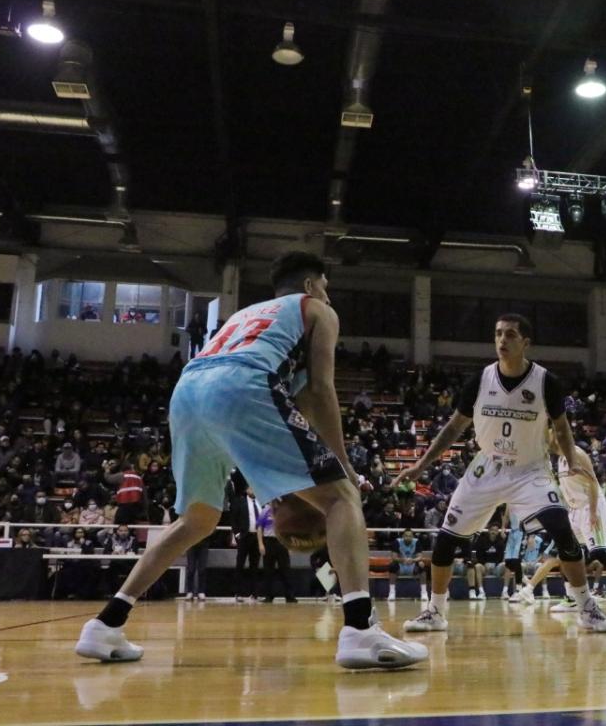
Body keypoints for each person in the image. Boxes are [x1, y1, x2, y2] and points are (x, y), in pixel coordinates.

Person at [74, 250, 426, 669]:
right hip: (242, 385)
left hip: (189, 390)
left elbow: (286, 409)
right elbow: (319, 390)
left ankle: (106, 624)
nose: (328, 297)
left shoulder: (246, 314)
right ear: (314, 285)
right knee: (342, 497)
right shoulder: (317, 310)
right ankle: (360, 630)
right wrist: (341, 462)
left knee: (196, 520)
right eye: (327, 288)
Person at [394, 313, 606, 633]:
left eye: (510, 334)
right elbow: (453, 428)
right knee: (445, 540)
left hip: (530, 470)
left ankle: (587, 608)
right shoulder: (480, 381)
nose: (502, 340)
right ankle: (435, 611)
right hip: (487, 467)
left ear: (525, 342)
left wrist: (570, 459)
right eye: (498, 333)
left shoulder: (546, 382)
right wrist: (421, 465)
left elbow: (562, 428)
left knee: (562, 530)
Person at [514, 443, 606, 613]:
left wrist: (594, 511)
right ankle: (571, 599)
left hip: (590, 506)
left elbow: (593, 483)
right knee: (567, 553)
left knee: (597, 552)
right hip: (574, 509)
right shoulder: (559, 460)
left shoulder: (577, 453)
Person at [257, 499, 297, 604]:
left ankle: (290, 596)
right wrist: (261, 544)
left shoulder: (283, 511)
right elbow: (259, 528)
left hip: (282, 542)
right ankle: (268, 596)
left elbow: (289, 529)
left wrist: (290, 546)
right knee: (268, 571)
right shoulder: (265, 510)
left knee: (285, 570)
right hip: (269, 542)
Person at [232, 488, 262, 602]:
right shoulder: (240, 501)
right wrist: (237, 534)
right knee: (240, 564)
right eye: (251, 487)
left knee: (254, 566)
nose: (253, 490)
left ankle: (254, 593)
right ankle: (238, 593)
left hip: (257, 537)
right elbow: (234, 519)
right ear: (246, 489)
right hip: (244, 537)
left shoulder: (260, 502)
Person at [388, 528, 428, 602]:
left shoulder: (417, 542)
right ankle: (392, 592)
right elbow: (394, 557)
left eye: (410, 536)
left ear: (413, 537)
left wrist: (413, 560)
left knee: (422, 566)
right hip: (401, 565)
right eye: (406, 536)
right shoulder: (397, 542)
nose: (408, 537)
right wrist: (403, 560)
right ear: (403, 536)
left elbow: (420, 556)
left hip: (412, 565)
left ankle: (424, 593)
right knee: (392, 565)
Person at [471, 523, 508, 599]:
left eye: (495, 530)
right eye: (492, 530)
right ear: (488, 531)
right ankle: (481, 592)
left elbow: (501, 557)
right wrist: (485, 564)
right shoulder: (482, 541)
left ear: (498, 532)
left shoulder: (501, 542)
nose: (493, 532)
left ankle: (505, 592)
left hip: (496, 567)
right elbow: (479, 556)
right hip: (485, 567)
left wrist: (495, 564)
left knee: (507, 564)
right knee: (477, 566)